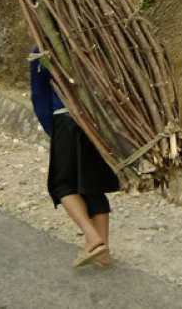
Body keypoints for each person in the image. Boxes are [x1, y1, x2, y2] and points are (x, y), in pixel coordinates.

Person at [30, 47, 120, 268]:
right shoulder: (90, 41)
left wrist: (54, 129)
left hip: (66, 120)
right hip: (96, 122)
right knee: (93, 185)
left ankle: (93, 237)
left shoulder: (42, 49)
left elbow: (40, 94)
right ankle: (103, 255)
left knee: (61, 185)